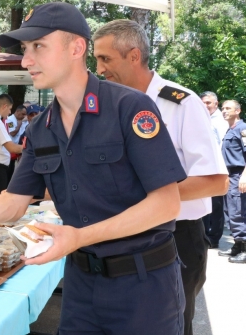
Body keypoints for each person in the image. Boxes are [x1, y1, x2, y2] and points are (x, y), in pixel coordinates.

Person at [0, 2, 187, 335]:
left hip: (143, 287)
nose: (26, 60)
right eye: (25, 50)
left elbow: (167, 203)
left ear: (76, 48)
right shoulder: (42, 128)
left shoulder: (129, 107)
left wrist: (79, 236)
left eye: (38, 46)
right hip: (82, 286)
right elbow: (12, 203)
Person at [93, 19, 228, 335]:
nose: (99, 70)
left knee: (172, 325)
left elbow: (215, 181)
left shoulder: (180, 102)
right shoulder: (110, 105)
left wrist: (144, 195)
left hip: (176, 236)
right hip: (126, 233)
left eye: (105, 59)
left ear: (134, 56)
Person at [200, 91, 230, 248]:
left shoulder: (220, 121)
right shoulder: (205, 119)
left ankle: (213, 237)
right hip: (205, 169)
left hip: (217, 169)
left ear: (216, 104)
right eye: (203, 102)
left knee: (216, 206)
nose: (205, 106)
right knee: (206, 203)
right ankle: (206, 235)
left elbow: (223, 146)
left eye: (208, 103)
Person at [218, 100, 246, 263]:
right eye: (223, 108)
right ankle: (237, 245)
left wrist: (244, 176)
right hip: (229, 176)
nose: (224, 111)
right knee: (230, 212)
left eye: (228, 108)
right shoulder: (230, 130)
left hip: (238, 175)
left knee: (239, 212)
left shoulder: (242, 129)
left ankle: (245, 248)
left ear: (238, 111)